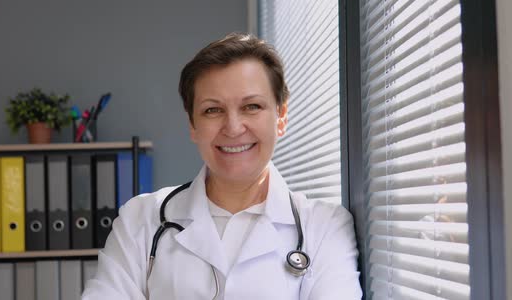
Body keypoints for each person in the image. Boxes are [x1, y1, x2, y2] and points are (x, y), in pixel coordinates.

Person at [82, 33, 362, 299]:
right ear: (192, 124)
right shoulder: (140, 220)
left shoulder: (324, 227)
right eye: (212, 110)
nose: (233, 127)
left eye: (251, 106)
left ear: (281, 116)